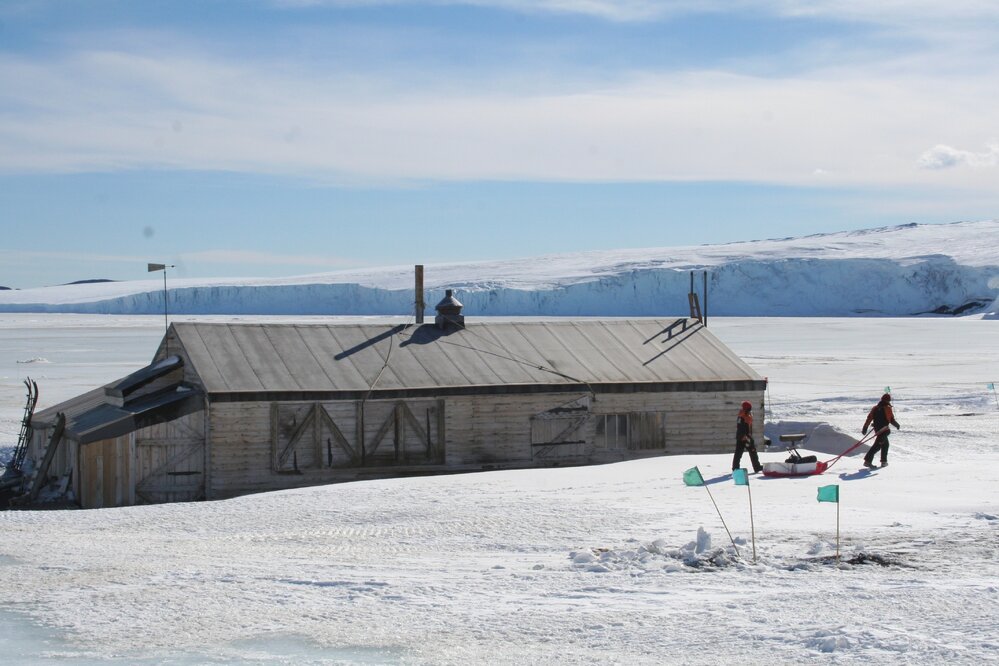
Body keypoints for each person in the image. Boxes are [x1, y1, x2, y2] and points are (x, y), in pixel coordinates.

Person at [862, 393, 901, 468]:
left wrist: (865, 427)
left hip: (878, 430)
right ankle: (867, 461)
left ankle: (884, 461)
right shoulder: (887, 408)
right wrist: (897, 425)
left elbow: (869, 418)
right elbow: (891, 419)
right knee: (877, 446)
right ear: (888, 400)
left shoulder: (875, 408)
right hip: (884, 430)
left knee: (885, 445)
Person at [733, 400, 762, 473]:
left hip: (741, 437)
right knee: (752, 451)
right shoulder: (743, 416)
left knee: (738, 453)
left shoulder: (743, 415)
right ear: (746, 409)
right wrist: (746, 437)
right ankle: (757, 467)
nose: (750, 410)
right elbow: (742, 428)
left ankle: (735, 468)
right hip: (745, 437)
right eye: (749, 409)